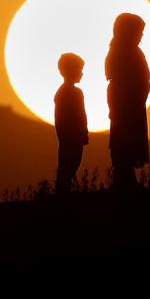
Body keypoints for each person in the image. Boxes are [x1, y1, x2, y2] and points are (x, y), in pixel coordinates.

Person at [105, 13, 150, 189]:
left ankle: (126, 178)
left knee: (128, 138)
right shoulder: (122, 51)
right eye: (139, 31)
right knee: (124, 138)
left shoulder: (124, 50)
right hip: (126, 102)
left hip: (133, 102)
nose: (141, 36)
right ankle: (124, 179)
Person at [54, 53, 89, 194]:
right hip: (71, 137)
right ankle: (63, 193)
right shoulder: (70, 93)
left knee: (69, 165)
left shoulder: (63, 93)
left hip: (71, 136)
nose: (81, 73)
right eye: (79, 70)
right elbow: (72, 116)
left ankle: (64, 190)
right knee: (69, 165)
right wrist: (80, 132)